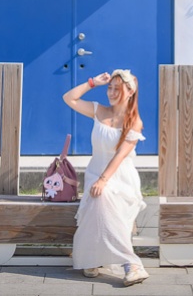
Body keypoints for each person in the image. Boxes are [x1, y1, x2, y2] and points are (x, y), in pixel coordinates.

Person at [62, 69, 149, 286]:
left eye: (116, 89)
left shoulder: (134, 121)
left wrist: (103, 180)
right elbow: (69, 98)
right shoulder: (98, 110)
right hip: (95, 172)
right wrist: (93, 82)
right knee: (97, 198)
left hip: (120, 177)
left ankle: (131, 265)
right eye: (109, 88)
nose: (110, 92)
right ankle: (95, 258)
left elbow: (120, 156)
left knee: (103, 197)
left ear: (130, 92)